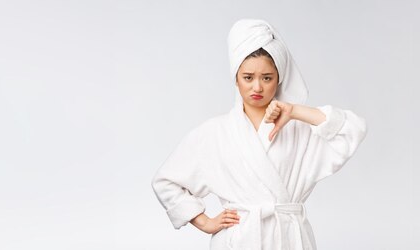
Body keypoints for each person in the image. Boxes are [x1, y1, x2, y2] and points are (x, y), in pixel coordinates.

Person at [151, 19, 368, 250]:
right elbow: (166, 181)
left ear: (279, 79)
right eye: (248, 77)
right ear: (236, 78)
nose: (257, 87)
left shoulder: (299, 129)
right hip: (239, 240)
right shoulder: (216, 132)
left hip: (290, 239)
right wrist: (203, 221)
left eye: (267, 78)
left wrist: (295, 111)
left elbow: (354, 129)